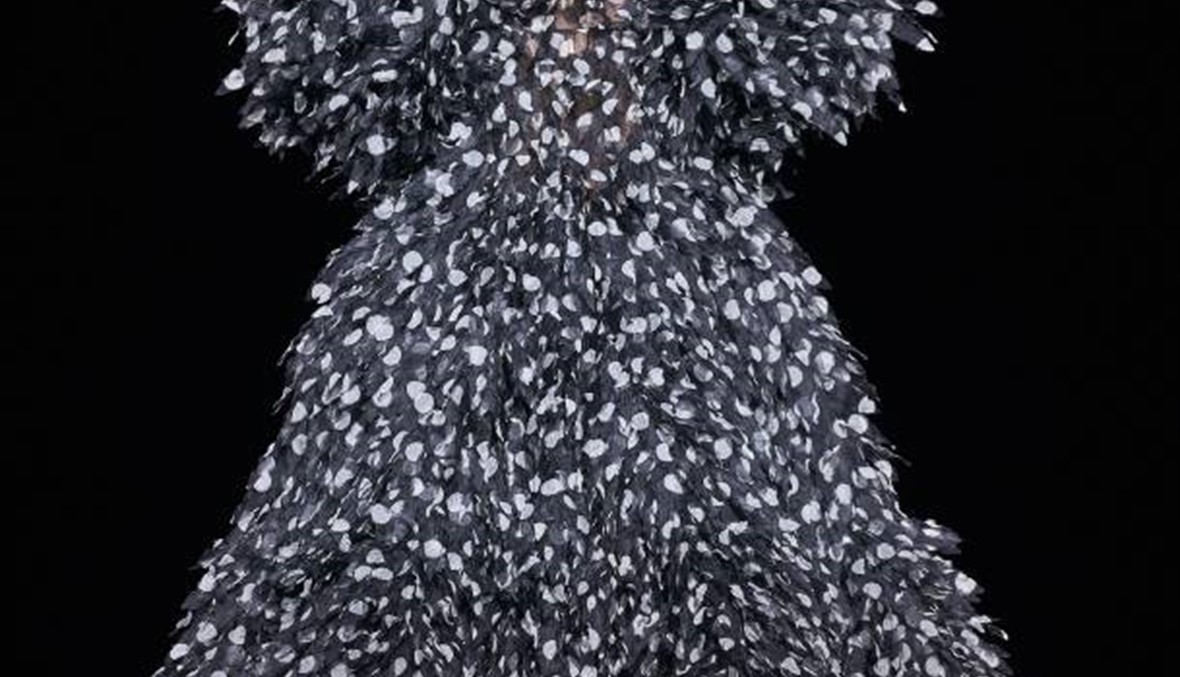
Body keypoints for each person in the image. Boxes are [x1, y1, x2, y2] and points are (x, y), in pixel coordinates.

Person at [154, 1, 1011, 675]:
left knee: (726, 551)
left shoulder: (703, 84)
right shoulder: (440, 74)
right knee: (403, 548)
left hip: (688, 289)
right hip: (457, 298)